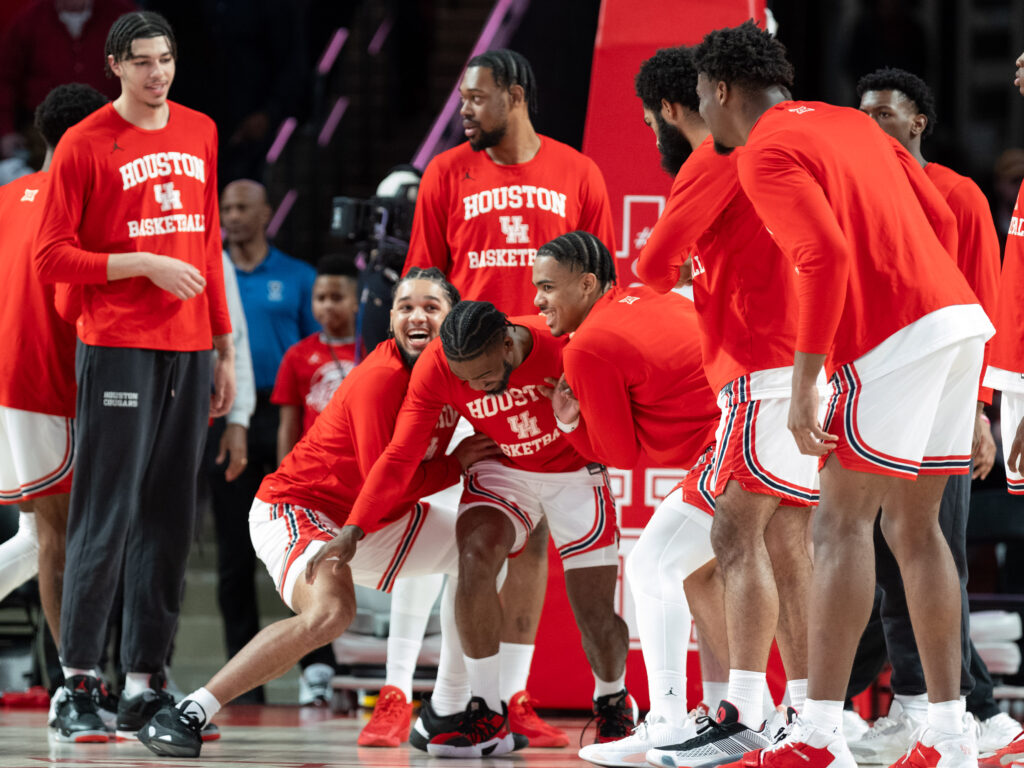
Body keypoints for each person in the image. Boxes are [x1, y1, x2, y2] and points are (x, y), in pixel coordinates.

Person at [693, 21, 992, 768]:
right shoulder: (850, 121)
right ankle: (951, 732)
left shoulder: (764, 149)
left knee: (839, 528)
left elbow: (822, 256)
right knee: (917, 533)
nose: (701, 109)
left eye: (700, 96)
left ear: (721, 90)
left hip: (891, 330)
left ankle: (819, 732)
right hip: (957, 320)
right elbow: (935, 208)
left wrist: (804, 383)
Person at [136, 268, 496, 758]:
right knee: (331, 612)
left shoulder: (457, 375)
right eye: (406, 306)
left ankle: (450, 707)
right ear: (389, 318)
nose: (417, 315)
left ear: (452, 318)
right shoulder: (380, 379)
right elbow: (382, 486)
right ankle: (189, 712)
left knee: (482, 545)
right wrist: (455, 465)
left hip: (370, 521)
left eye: (431, 307)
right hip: (300, 509)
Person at [403, 48, 618, 747]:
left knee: (529, 552)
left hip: (545, 373)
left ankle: (509, 698)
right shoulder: (444, 173)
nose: (464, 109)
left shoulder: (578, 172)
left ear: (516, 95)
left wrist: (588, 379)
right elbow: (424, 281)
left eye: (477, 97)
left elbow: (603, 288)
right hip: (469, 385)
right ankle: (447, 697)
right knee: (463, 541)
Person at [33, 10, 235, 743]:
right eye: (143, 62)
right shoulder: (85, 145)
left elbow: (209, 240)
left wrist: (224, 344)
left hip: (190, 348)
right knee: (106, 511)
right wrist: (140, 263)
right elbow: (51, 257)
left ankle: (145, 682)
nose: (158, 74)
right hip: (116, 341)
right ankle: (78, 681)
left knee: (170, 518)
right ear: (115, 66)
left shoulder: (201, 130)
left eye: (166, 60)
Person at [316, 299, 634, 757]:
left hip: (573, 471)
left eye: (484, 377)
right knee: (473, 556)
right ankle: (487, 710)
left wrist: (571, 416)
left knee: (594, 612)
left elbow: (619, 415)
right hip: (503, 467)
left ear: (508, 344)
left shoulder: (563, 344)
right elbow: (400, 455)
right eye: (464, 380)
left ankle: (613, 701)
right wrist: (355, 526)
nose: (476, 390)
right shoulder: (438, 367)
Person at [630, 46, 819, 768]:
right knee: (786, 546)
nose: (654, 131)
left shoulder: (710, 158)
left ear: (678, 108)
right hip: (803, 362)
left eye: (652, 120)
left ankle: (742, 710)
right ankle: (808, 713)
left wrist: (680, 257)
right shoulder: (775, 148)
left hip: (761, 369)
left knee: (734, 538)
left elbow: (651, 266)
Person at [849, 66, 1017, 761]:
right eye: (861, 115)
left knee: (928, 554)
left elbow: (989, 306)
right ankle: (944, 708)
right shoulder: (855, 199)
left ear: (918, 121)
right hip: (877, 397)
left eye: (884, 115)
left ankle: (970, 711)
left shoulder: (959, 194)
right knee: (888, 557)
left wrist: (979, 410)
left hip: (945, 402)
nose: (871, 126)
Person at [528, 231, 726, 766]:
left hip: (731, 443)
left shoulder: (587, 346)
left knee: (649, 566)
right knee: (701, 579)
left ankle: (666, 720)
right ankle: (727, 714)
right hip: (757, 428)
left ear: (588, 284)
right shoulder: (646, 294)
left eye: (548, 287)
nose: (537, 301)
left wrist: (568, 420)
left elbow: (618, 453)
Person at [207, 177, 318, 700]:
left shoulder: (298, 278)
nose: (231, 216)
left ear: (267, 213)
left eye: (242, 207)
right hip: (227, 415)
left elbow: (320, 347)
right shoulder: (212, 275)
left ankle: (318, 666)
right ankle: (241, 685)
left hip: (285, 416)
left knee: (304, 542)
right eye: (225, 207)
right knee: (233, 553)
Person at [272, 254, 360, 460]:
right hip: (312, 464)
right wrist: (284, 476)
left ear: (356, 301)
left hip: (360, 464)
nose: (327, 305)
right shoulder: (297, 355)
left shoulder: (376, 349)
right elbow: (288, 425)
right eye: (320, 298)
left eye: (337, 298)